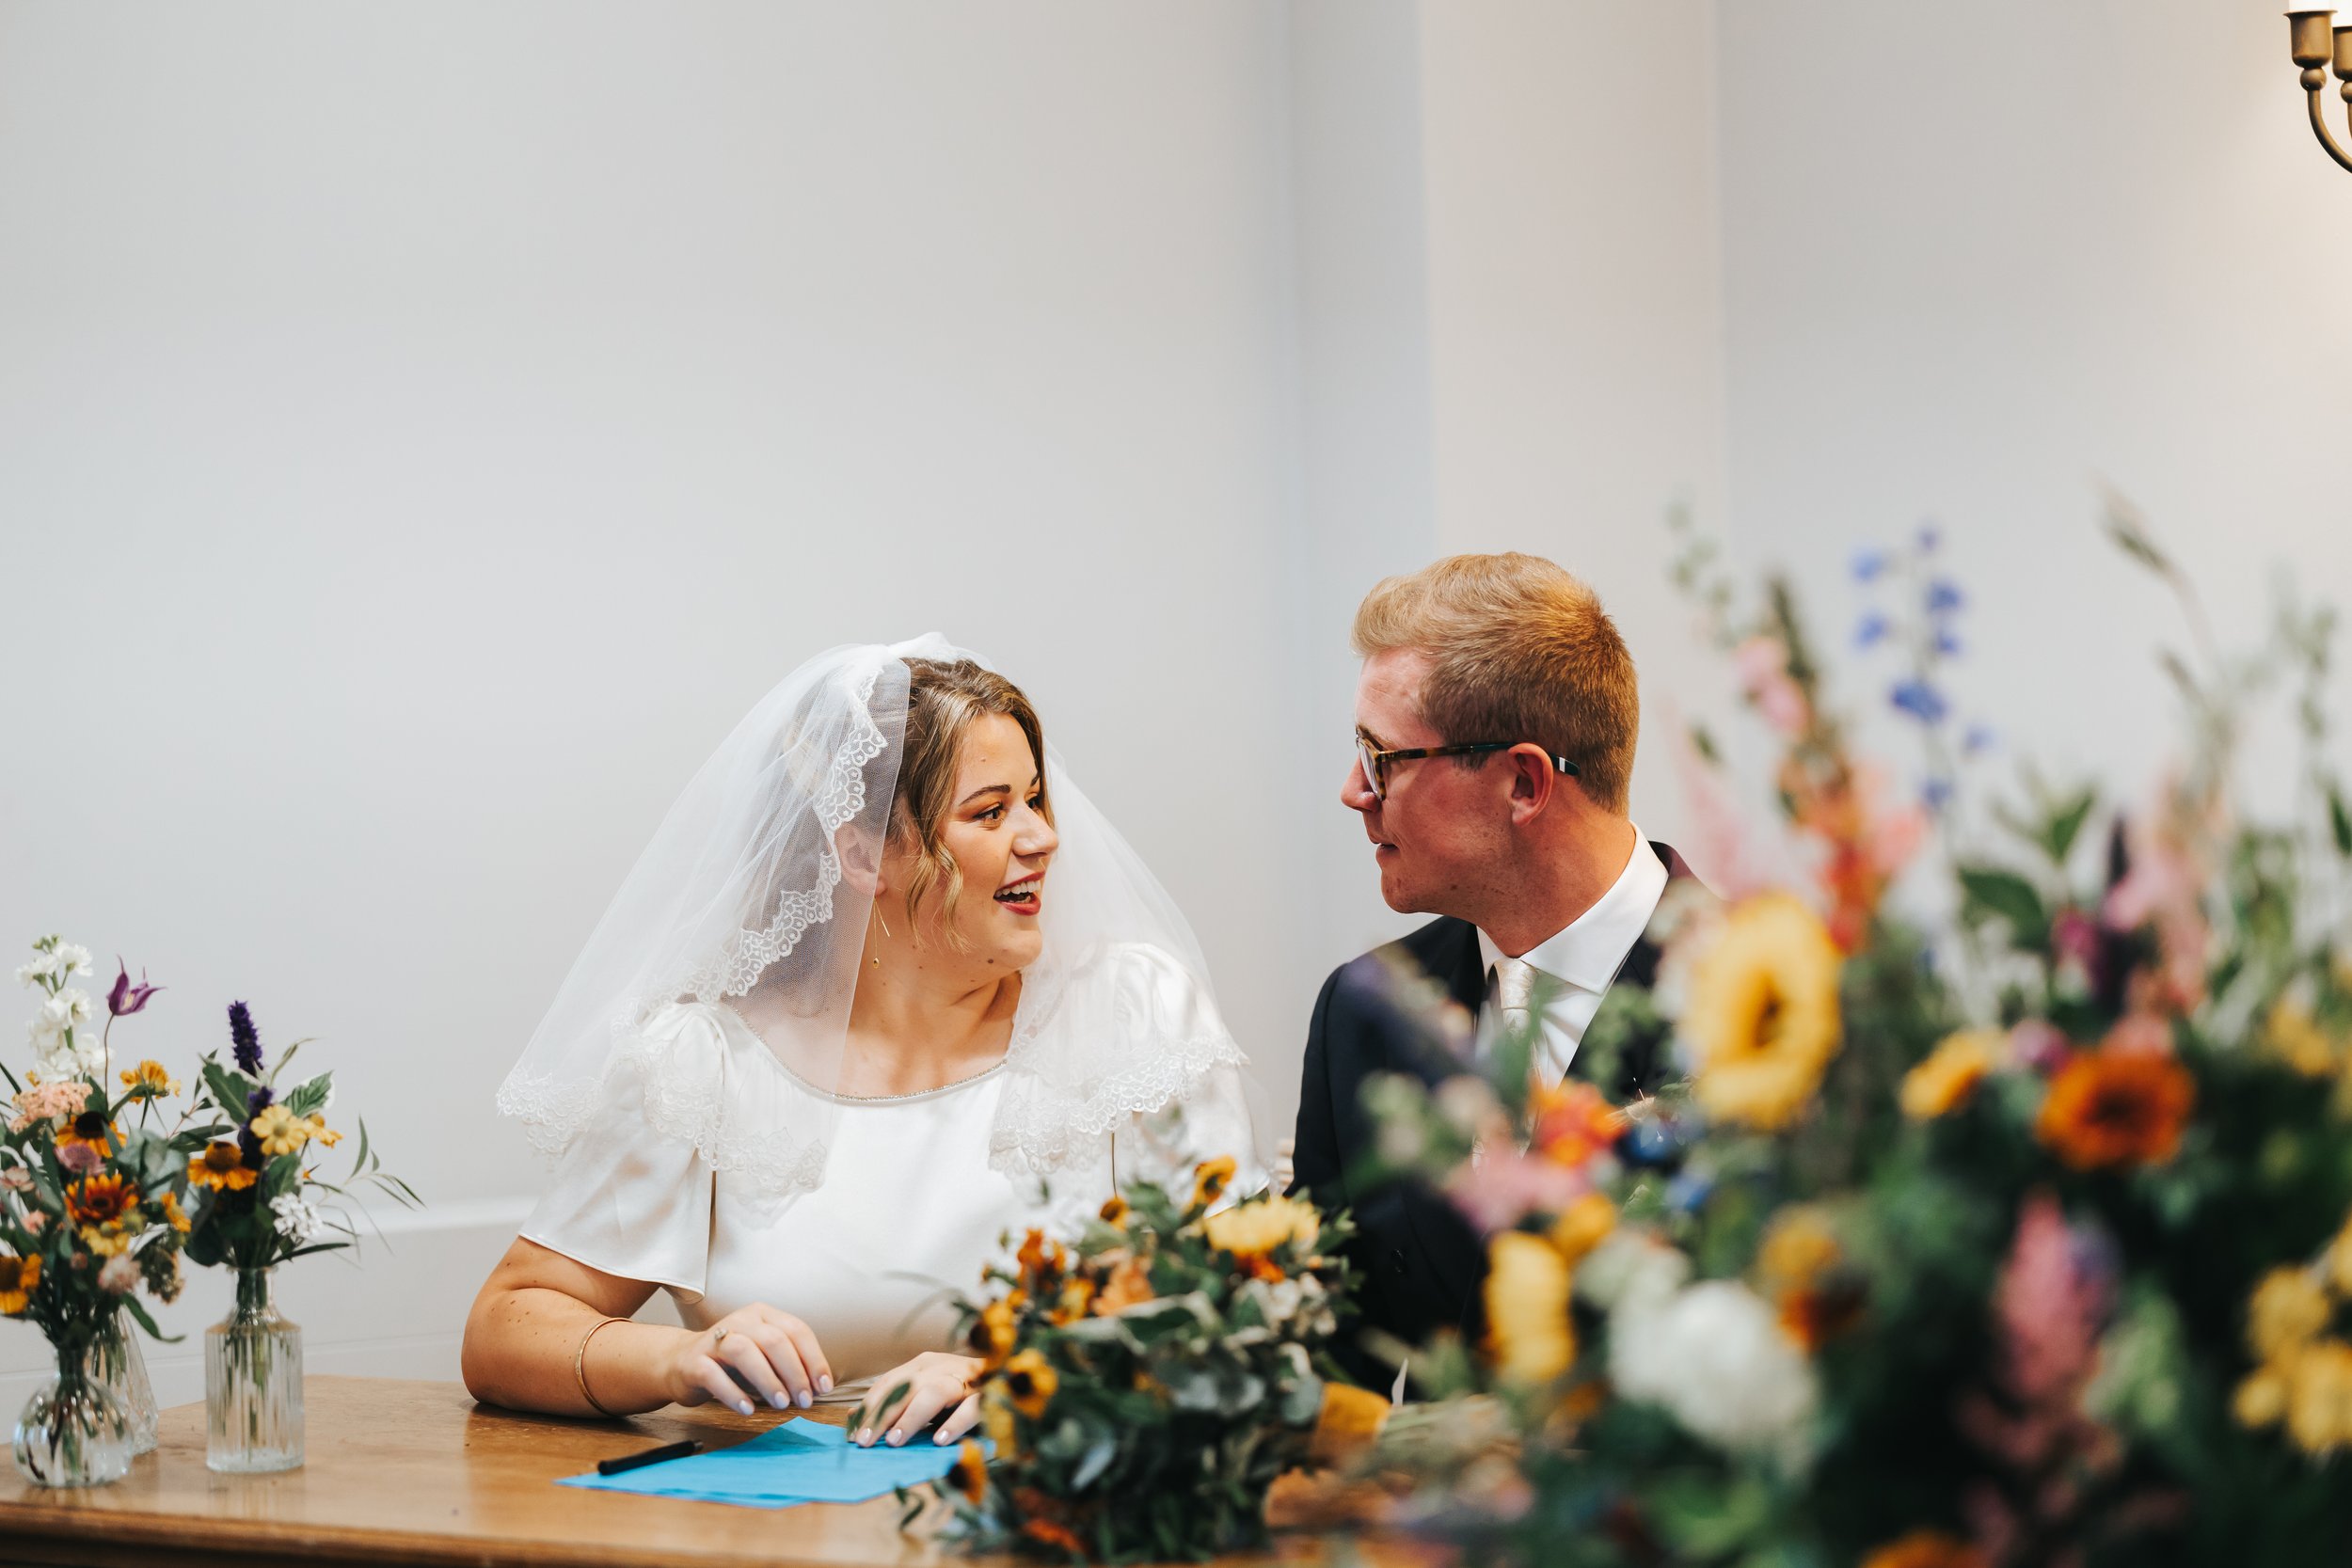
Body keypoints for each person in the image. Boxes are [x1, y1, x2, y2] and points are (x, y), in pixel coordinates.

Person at [463, 638, 1261, 1448]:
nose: (1042, 837)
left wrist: (1029, 1376)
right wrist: (679, 1356)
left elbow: (1249, 1311)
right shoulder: (704, 1063)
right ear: (864, 853)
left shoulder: (1132, 1015)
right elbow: (504, 1328)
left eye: (1035, 798)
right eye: (990, 811)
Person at [1289, 553, 1709, 1386]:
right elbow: (1330, 1353)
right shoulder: (1362, 1012)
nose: (1352, 791)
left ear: (1523, 782)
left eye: (1382, 758)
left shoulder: (1752, 1011)